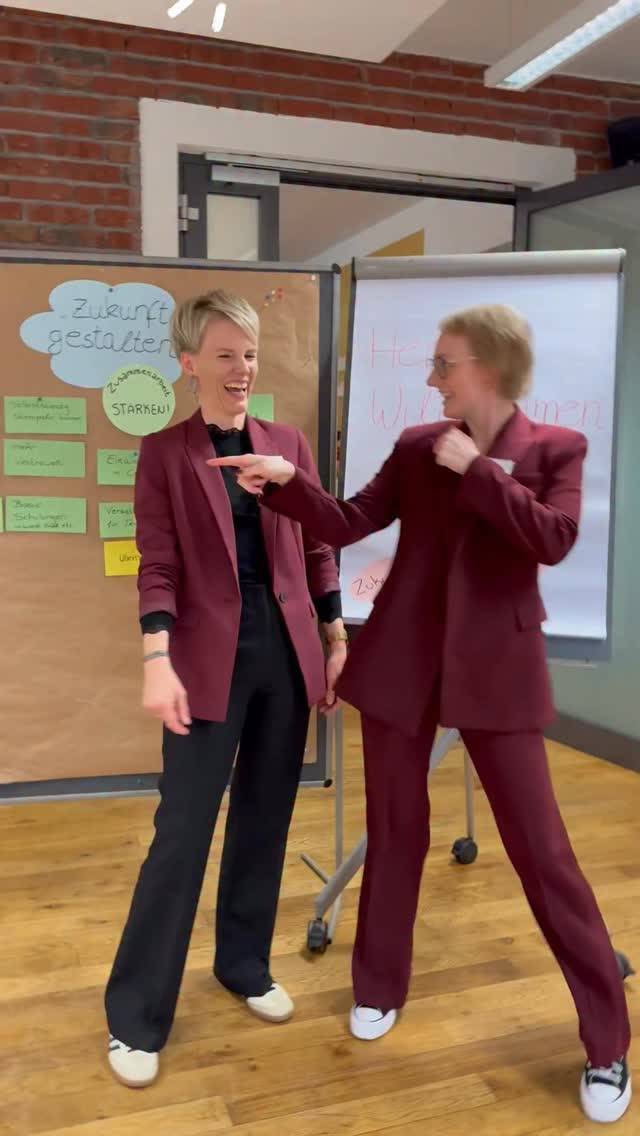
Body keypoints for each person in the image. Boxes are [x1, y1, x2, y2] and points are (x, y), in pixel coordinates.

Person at [211, 304, 632, 1125]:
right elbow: (351, 521)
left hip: (498, 673)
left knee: (543, 853)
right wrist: (288, 483)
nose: (432, 376)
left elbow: (552, 539)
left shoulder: (556, 449)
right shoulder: (414, 446)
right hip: (403, 665)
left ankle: (607, 1043)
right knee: (396, 831)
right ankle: (377, 986)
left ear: (490, 367)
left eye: (445, 363)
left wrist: (479, 471)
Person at [105, 289, 347, 1088]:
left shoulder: (288, 444)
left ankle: (243, 964)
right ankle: (136, 1015)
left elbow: (319, 545)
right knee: (181, 832)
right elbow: (158, 563)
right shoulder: (164, 453)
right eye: (224, 355)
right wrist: (157, 657)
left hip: (287, 655)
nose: (242, 368)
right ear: (188, 363)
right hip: (207, 660)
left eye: (249, 353)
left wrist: (335, 635)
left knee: (265, 820)